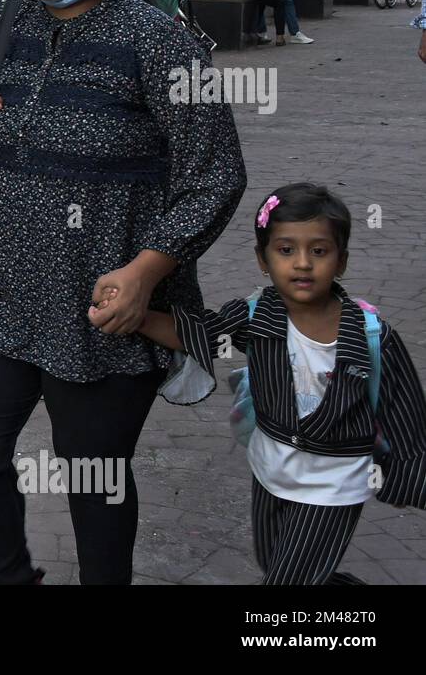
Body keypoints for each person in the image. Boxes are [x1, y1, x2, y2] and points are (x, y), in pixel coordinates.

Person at [0, 0, 246, 585]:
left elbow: (215, 174)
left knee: (93, 479)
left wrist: (147, 273)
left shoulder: (159, 41)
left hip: (105, 309)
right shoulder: (6, 26)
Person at [104, 184, 426, 584]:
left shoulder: (371, 334)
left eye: (319, 251)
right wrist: (139, 317)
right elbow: (204, 332)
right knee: (279, 564)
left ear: (341, 261)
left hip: (334, 485)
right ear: (263, 259)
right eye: (286, 250)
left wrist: (410, 473)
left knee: (288, 579)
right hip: (271, 471)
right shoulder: (259, 316)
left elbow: (404, 408)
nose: (303, 264)